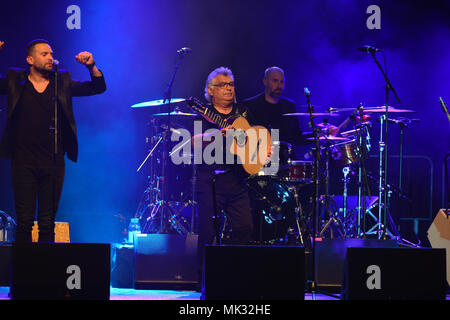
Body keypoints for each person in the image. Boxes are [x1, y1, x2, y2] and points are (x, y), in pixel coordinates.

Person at [0, 39, 106, 242]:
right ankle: (23, 272)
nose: (50, 58)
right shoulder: (16, 79)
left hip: (53, 161)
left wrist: (91, 66)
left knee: (47, 223)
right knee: (24, 221)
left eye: (51, 54)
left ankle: (44, 272)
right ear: (30, 59)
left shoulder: (61, 81)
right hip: (23, 162)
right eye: (44, 54)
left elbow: (97, 87)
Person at [191, 67, 263, 285]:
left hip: (236, 179)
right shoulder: (202, 113)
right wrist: (214, 134)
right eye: (223, 85)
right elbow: (194, 141)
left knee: (244, 228)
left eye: (231, 84)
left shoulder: (244, 112)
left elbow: (257, 135)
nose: (229, 88)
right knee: (207, 232)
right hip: (209, 180)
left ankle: (237, 278)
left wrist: (264, 150)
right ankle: (204, 281)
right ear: (210, 91)